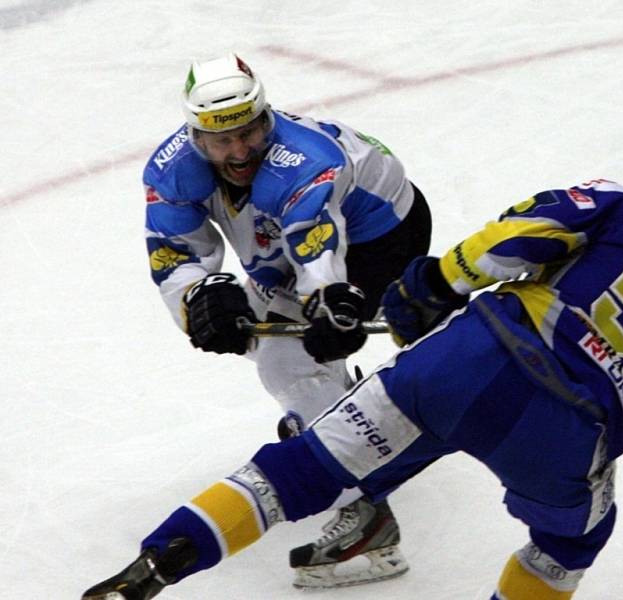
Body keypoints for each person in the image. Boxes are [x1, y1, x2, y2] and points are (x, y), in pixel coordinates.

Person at [84, 141, 623, 600]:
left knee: (303, 468)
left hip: (472, 360)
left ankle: (156, 561)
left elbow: (520, 238)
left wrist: (435, 281)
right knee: (573, 543)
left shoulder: (622, 206)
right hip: (571, 429)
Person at [143, 52, 432, 586]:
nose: (238, 151)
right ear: (195, 138)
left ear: (265, 117)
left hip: (381, 236)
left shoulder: (300, 161)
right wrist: (199, 299)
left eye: (249, 133)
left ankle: (371, 523)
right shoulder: (172, 170)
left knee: (288, 363)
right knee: (269, 338)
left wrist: (327, 300)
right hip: (293, 234)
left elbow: (313, 241)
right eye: (221, 141)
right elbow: (175, 252)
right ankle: (343, 415)